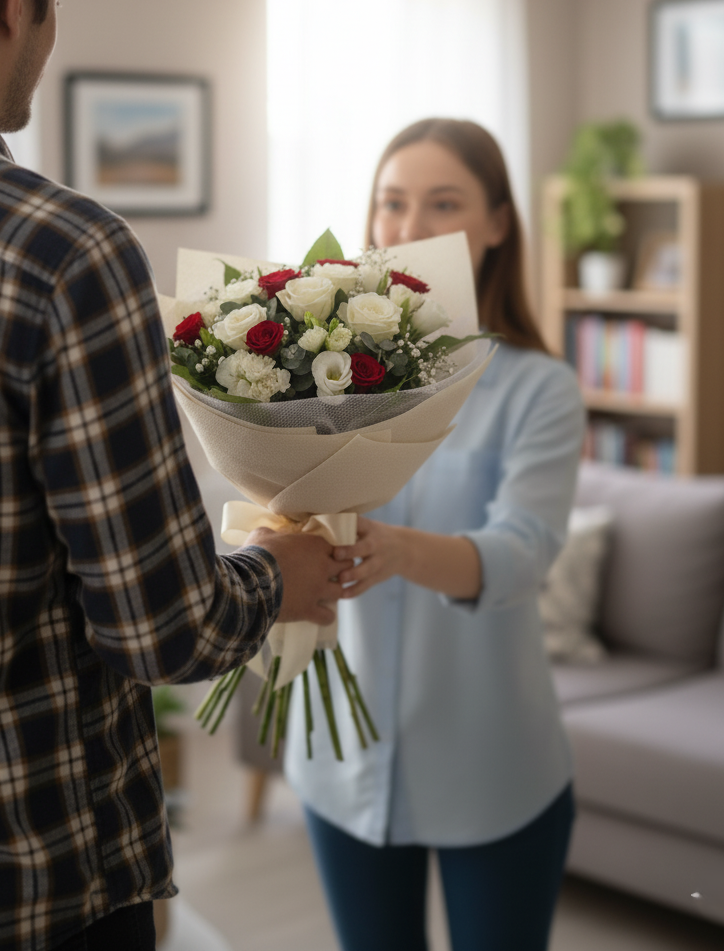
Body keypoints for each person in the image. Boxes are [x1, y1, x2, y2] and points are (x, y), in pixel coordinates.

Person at [0, 0, 348, 951]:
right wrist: (275, 574)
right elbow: (164, 626)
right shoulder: (58, 250)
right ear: (17, 0)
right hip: (17, 881)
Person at [285, 118, 586, 951]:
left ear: (496, 223)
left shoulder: (540, 390)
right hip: (341, 759)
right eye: (392, 204)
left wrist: (398, 552)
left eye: (442, 203)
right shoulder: (323, 371)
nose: (408, 230)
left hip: (494, 767)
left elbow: (524, 554)